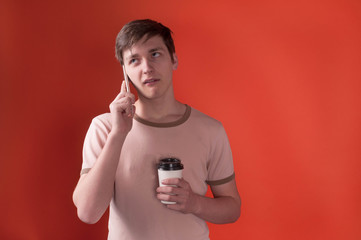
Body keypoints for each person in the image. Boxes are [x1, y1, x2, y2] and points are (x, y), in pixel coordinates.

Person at [72, 19, 241, 240]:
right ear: (125, 72)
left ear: (174, 59)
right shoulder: (104, 127)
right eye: (134, 60)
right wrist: (118, 134)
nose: (147, 68)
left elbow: (232, 208)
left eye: (155, 54)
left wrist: (194, 203)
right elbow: (88, 212)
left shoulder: (210, 130)